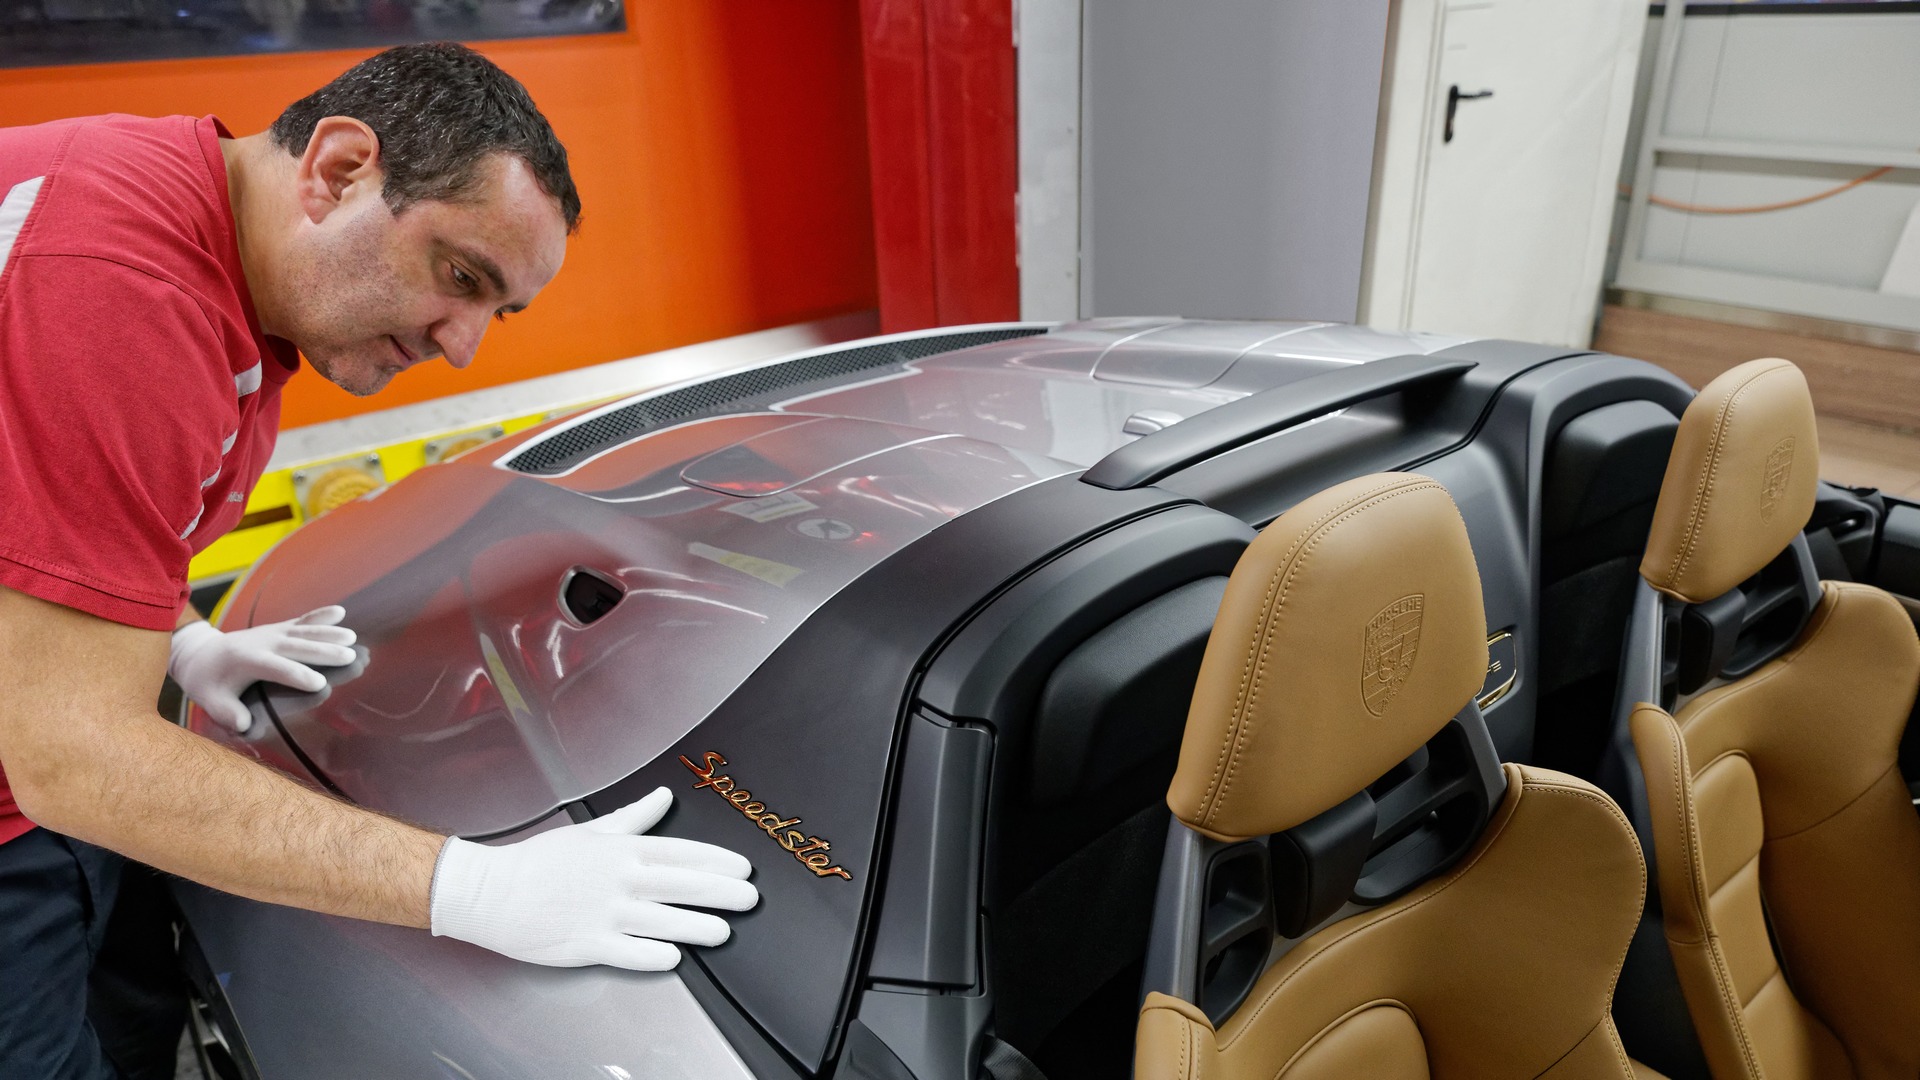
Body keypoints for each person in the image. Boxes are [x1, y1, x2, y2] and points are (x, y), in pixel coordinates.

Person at [0, 43, 758, 1080]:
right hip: (24, 809)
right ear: (340, 170)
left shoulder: (212, 251)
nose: (463, 346)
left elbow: (54, 503)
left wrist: (175, 635)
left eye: (497, 310)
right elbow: (75, 762)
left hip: (44, 792)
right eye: (460, 277)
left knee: (133, 1020)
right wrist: (476, 892)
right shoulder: (119, 293)